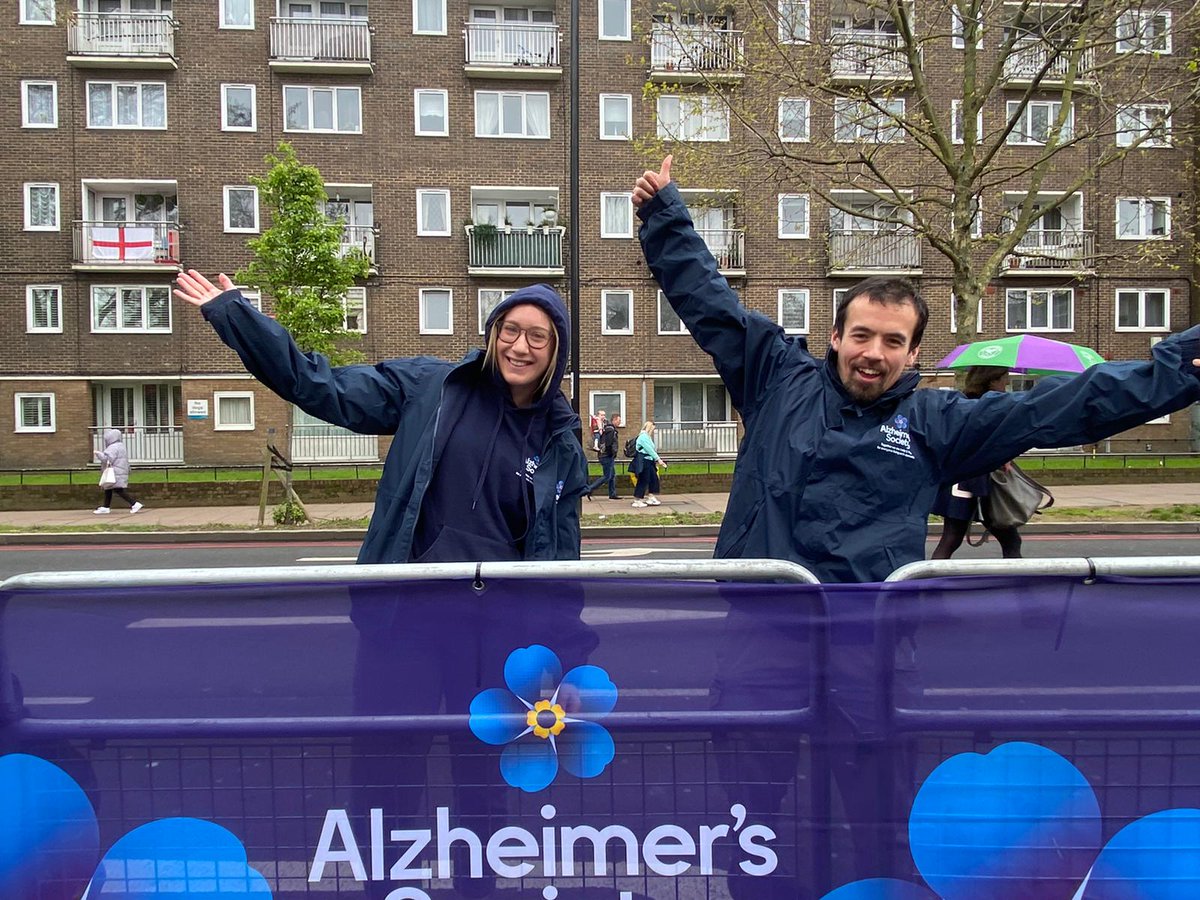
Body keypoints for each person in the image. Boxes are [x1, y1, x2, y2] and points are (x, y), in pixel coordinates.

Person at [175, 270, 591, 898]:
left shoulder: (561, 440)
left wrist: (567, 654)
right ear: (492, 333)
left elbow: (559, 557)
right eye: (511, 330)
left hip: (495, 641)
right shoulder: (433, 386)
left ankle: (479, 890)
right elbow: (320, 386)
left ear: (556, 351)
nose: (520, 346)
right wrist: (236, 316)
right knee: (386, 773)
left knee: (483, 782)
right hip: (405, 624)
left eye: (538, 336)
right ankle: (386, 890)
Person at [633, 155, 1200, 583]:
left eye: (893, 341)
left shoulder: (936, 420)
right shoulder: (778, 377)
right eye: (861, 335)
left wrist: (1181, 369)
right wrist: (665, 219)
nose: (873, 353)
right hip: (758, 625)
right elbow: (711, 304)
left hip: (872, 636)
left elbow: (1066, 406)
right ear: (835, 337)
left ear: (913, 354)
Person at [930, 366, 1023, 559]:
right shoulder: (990, 407)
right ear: (992, 381)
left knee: (952, 538)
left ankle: (928, 576)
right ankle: (1015, 578)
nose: (1006, 383)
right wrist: (1002, 455)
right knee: (954, 538)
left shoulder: (961, 403)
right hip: (972, 481)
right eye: (1004, 378)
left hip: (962, 481)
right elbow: (982, 440)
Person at [93, 428, 143, 515]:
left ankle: (134, 503)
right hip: (120, 470)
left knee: (117, 489)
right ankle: (106, 507)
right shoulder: (120, 446)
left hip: (115, 471)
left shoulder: (112, 448)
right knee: (108, 488)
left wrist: (98, 453)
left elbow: (107, 459)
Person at [585, 413, 622, 499]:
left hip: (607, 455)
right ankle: (589, 489)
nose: (620, 422)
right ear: (614, 420)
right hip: (606, 456)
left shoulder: (609, 429)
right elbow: (608, 443)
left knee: (612, 475)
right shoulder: (610, 430)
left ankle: (612, 494)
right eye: (619, 420)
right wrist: (611, 453)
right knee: (607, 476)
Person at [631, 420, 666, 508]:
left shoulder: (647, 437)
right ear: (649, 428)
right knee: (643, 480)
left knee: (653, 479)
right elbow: (649, 449)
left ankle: (651, 496)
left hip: (649, 461)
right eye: (652, 429)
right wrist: (658, 459)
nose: (653, 431)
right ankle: (637, 499)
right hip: (644, 461)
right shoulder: (643, 437)